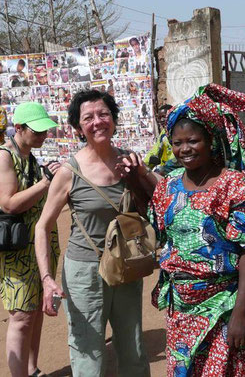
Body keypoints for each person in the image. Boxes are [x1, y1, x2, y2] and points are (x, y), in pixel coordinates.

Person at [149, 84, 245, 376]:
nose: (184, 149)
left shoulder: (234, 186)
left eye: (193, 140)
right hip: (181, 306)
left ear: (211, 141)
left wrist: (242, 312)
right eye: (177, 143)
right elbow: (162, 234)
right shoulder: (168, 185)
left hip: (225, 304)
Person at [35, 90, 151, 377]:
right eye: (88, 118)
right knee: (88, 351)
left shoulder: (129, 161)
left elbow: (160, 196)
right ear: (78, 128)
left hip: (126, 265)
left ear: (113, 119)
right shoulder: (69, 172)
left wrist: (140, 175)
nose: (98, 122)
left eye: (104, 114)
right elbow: (42, 226)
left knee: (133, 346)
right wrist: (47, 280)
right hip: (84, 272)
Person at [0, 103, 60, 377]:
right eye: (37, 131)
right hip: (16, 249)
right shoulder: (2, 158)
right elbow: (8, 204)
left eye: (45, 131)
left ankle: (31, 368)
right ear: (18, 128)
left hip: (37, 245)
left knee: (37, 311)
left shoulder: (28, 156)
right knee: (20, 316)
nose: (43, 136)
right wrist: (44, 183)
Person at [143, 104, 177, 174]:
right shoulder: (164, 133)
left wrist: (162, 170)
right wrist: (143, 166)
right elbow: (155, 151)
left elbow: (176, 157)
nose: (161, 120)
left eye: (164, 117)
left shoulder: (178, 132)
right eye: (159, 118)